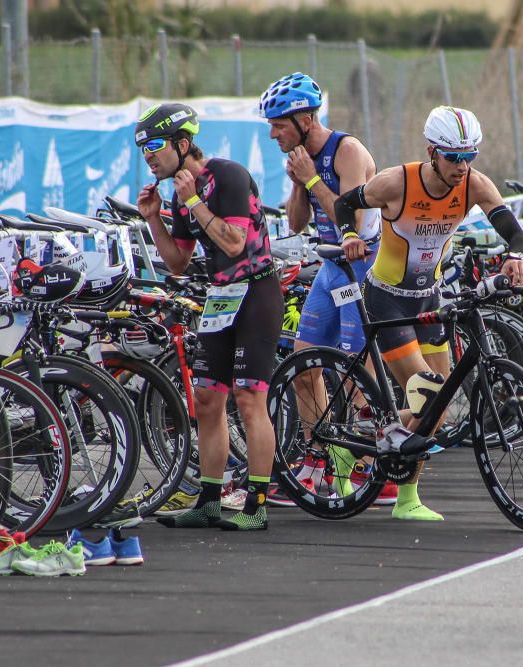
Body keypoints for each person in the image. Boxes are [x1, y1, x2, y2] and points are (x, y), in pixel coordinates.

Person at [333, 105, 523, 521]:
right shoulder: (396, 183)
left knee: (440, 406)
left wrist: (516, 255)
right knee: (427, 391)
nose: (463, 166)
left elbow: (514, 232)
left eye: (470, 156)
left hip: (430, 297)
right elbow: (342, 205)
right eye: (454, 157)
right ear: (432, 152)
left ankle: (403, 494)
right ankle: (353, 447)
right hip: (387, 297)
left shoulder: (475, 185)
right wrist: (351, 233)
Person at [135, 102, 284, 531]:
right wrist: (153, 221)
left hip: (257, 292)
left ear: (183, 144)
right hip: (221, 296)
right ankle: (210, 500)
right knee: (205, 401)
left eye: (155, 147)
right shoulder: (182, 193)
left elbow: (235, 243)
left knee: (250, 399)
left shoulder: (227, 176)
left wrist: (194, 200)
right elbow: (178, 263)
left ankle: (256, 504)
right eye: (143, 149)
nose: (148, 156)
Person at [258, 73, 398, 505]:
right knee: (304, 363)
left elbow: (351, 218)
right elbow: (297, 223)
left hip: (364, 265)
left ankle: (379, 467)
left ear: (304, 118)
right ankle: (318, 456)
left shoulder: (347, 150)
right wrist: (300, 180)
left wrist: (312, 178)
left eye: (279, 124)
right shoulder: (304, 160)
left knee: (358, 372)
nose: (273, 133)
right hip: (331, 267)